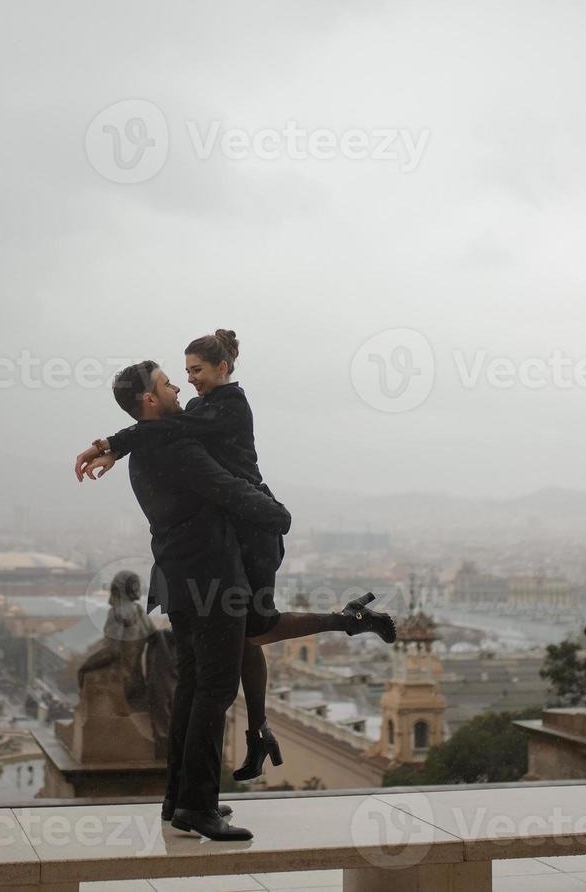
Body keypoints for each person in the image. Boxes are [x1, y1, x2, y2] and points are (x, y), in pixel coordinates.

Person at [76, 331, 396, 782]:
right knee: (247, 632)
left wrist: (112, 444)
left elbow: (165, 429)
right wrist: (116, 446)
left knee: (251, 629)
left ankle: (269, 718)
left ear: (222, 368)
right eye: (182, 374)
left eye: (196, 372)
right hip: (241, 527)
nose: (188, 383)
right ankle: (265, 724)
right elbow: (162, 427)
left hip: (256, 528)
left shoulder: (230, 406)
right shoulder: (197, 411)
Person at [106, 359, 292, 840]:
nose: (178, 390)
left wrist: (112, 443)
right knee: (214, 690)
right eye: (168, 384)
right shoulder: (176, 445)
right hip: (213, 579)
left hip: (178, 579)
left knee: (191, 688)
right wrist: (276, 514)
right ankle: (198, 806)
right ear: (150, 400)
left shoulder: (149, 448)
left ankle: (178, 799)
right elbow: (225, 488)